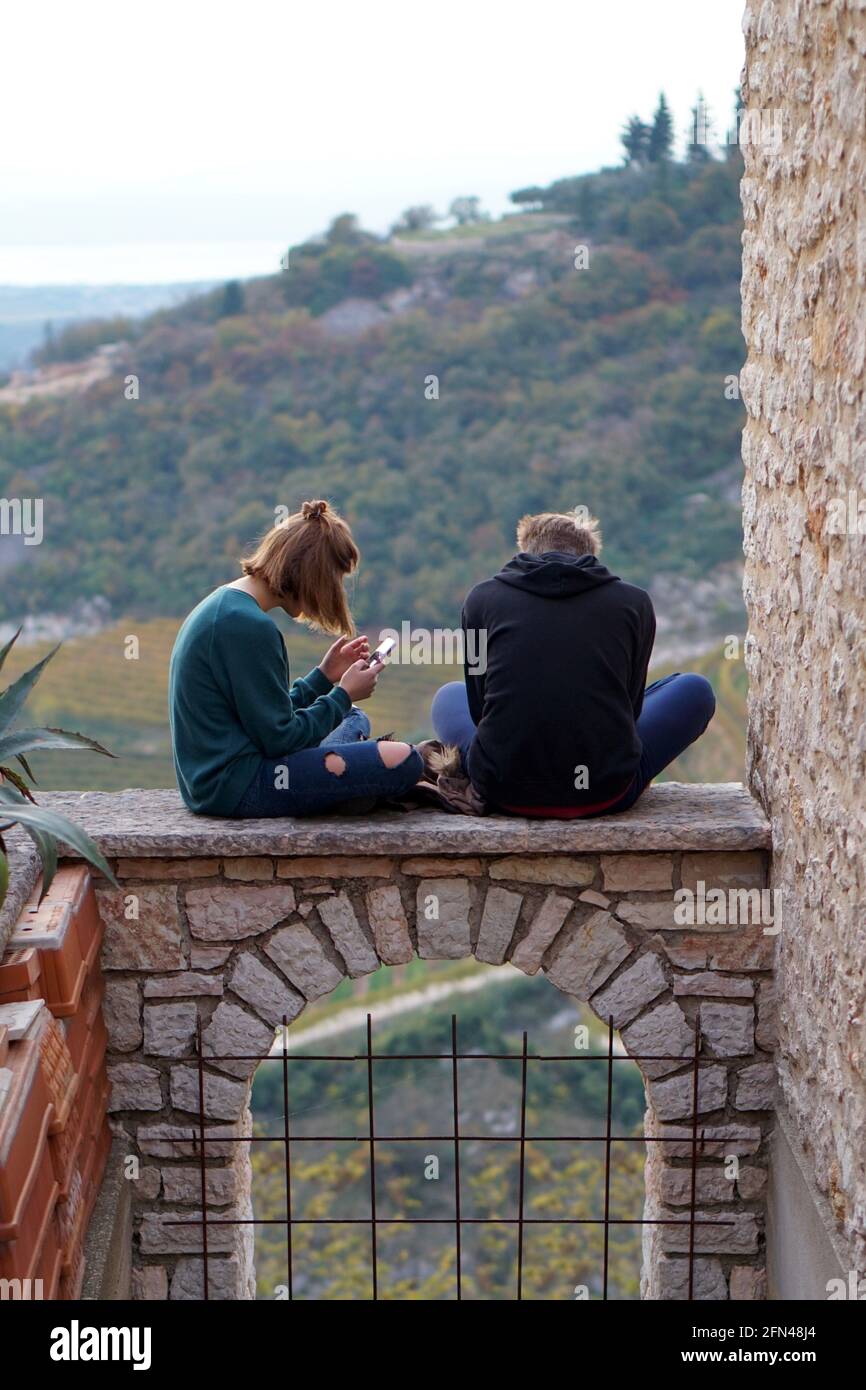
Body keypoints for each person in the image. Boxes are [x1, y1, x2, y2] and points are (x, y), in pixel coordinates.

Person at [430, 508, 715, 818]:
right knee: (694, 689)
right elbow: (630, 710)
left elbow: (478, 708)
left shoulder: (480, 600)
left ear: (526, 549)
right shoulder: (634, 603)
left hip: (503, 789)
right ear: (590, 553)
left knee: (448, 696)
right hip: (604, 791)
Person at [169, 500, 423, 817]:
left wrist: (323, 677)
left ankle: (338, 788)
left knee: (354, 718)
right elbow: (280, 739)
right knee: (404, 759)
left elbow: (264, 717)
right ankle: (340, 791)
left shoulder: (226, 605)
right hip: (241, 785)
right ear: (312, 576)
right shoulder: (248, 627)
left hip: (216, 780)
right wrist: (342, 694)